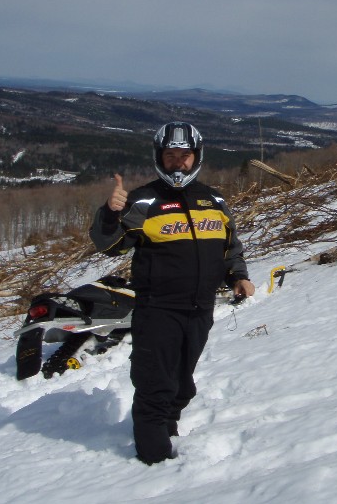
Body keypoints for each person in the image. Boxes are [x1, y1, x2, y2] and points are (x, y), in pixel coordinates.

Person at [89, 121, 255, 465]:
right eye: (170, 155)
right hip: (158, 309)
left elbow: (229, 247)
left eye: (184, 155)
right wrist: (109, 213)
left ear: (196, 157)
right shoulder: (143, 200)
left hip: (200, 308)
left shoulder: (214, 200)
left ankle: (169, 431)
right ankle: (154, 462)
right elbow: (110, 245)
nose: (178, 162)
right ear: (159, 158)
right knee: (155, 385)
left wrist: (238, 276)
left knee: (182, 384)